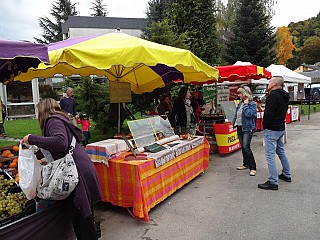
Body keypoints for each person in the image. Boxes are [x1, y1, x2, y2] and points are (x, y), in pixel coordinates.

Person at [21, 98, 102, 240]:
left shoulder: (52, 121)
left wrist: (32, 138)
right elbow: (54, 145)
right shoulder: (60, 119)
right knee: (85, 216)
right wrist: (32, 154)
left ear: (42, 110)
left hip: (76, 172)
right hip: (80, 167)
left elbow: (60, 142)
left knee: (82, 218)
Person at [258, 76, 291, 190]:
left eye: (270, 82)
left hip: (272, 128)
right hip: (280, 127)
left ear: (275, 84)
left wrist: (265, 125)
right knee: (281, 151)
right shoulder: (284, 96)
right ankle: (287, 174)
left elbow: (269, 114)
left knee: (270, 155)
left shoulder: (273, 96)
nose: (268, 83)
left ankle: (273, 181)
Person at [233, 86, 257, 176]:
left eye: (240, 93)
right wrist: (233, 123)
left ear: (245, 94)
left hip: (247, 128)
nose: (238, 95)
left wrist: (246, 104)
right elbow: (237, 114)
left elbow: (248, 114)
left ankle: (253, 167)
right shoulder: (240, 103)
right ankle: (246, 164)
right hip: (240, 126)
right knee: (243, 146)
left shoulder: (252, 104)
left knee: (246, 147)